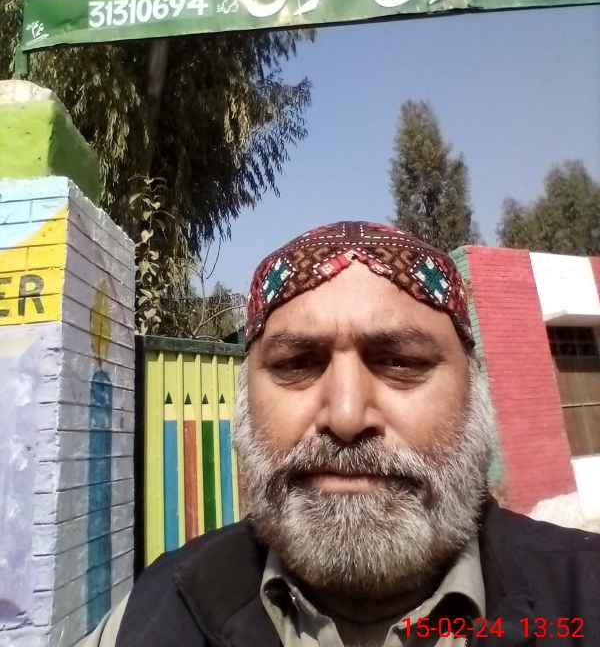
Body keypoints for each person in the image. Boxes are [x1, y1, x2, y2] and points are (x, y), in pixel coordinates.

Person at [87, 222, 600, 646]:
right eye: (296, 364)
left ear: (475, 393)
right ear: (244, 404)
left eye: (400, 362)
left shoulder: (585, 596)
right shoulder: (155, 614)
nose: (348, 417)